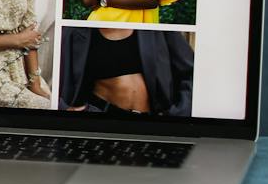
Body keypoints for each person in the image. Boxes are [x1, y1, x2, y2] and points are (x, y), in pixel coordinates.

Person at [59, 27, 194, 117]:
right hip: (103, 122)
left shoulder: (156, 24)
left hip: (155, 122)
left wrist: (180, 113)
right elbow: (47, 82)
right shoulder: (75, 29)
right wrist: (63, 108)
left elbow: (192, 72)